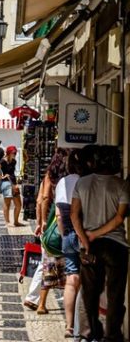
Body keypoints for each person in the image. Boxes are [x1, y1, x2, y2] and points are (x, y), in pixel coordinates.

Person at [71, 145, 128, 342]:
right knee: (115, 295)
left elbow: (74, 215)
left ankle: (91, 334)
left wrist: (86, 239)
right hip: (116, 246)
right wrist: (96, 234)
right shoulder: (121, 185)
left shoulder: (83, 183)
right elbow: (120, 218)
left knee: (90, 293)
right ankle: (112, 336)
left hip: (90, 247)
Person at [35, 148, 68, 315]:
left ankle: (41, 304)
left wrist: (42, 222)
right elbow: (45, 198)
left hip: (53, 219)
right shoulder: (69, 177)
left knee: (48, 263)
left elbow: (43, 198)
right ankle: (69, 301)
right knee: (69, 265)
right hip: (64, 218)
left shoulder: (51, 175)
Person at [54, 149, 83, 338]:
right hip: (85, 234)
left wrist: (65, 234)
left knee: (71, 281)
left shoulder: (62, 183)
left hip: (68, 235)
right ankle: (84, 326)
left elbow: (58, 214)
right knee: (88, 280)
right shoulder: (86, 182)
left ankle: (69, 325)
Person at [0, 145, 23, 227]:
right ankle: (7, 222)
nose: (15, 154)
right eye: (13, 153)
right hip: (6, 183)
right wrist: (1, 177)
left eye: (15, 153)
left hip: (13, 183)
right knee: (7, 203)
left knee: (18, 205)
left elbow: (12, 172)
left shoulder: (14, 161)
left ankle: (16, 221)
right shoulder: (3, 161)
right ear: (9, 153)